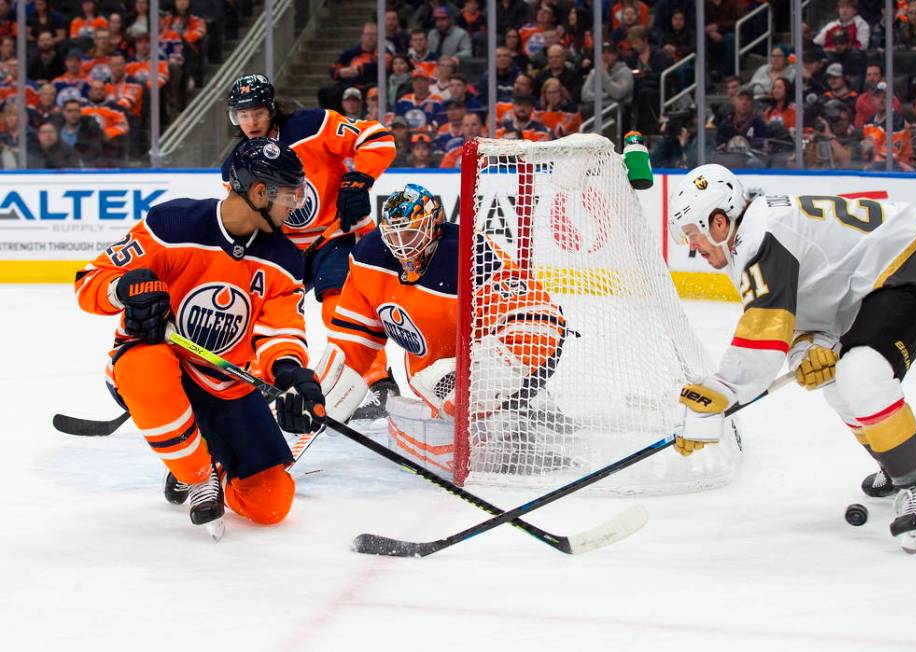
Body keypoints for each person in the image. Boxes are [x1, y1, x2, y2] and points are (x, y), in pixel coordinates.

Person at [667, 163, 916, 554]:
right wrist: (808, 350)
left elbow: (763, 335)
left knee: (860, 373)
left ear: (718, 222)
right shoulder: (745, 242)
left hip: (908, 269)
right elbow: (799, 315)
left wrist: (720, 391)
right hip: (867, 287)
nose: (691, 246)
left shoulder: (763, 232)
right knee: (836, 383)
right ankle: (894, 462)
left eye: (693, 234)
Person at [75, 138, 326, 537]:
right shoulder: (172, 225)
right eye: (288, 195)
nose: (294, 206)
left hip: (226, 381)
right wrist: (123, 290)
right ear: (259, 192)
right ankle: (195, 472)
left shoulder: (285, 259)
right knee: (146, 367)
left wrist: (294, 376)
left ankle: (212, 459)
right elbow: (88, 283)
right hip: (156, 362)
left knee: (270, 504)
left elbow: (280, 331)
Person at [314, 184, 567, 472]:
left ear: (433, 226)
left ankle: (522, 415)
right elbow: (353, 337)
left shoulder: (468, 253)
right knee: (432, 383)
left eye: (409, 232)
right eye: (393, 234)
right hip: (438, 371)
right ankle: (507, 413)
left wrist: (489, 379)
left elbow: (536, 320)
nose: (401, 243)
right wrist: (317, 389)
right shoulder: (369, 255)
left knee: (464, 400)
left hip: (508, 353)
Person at [221, 74, 397, 415]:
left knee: (340, 304)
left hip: (333, 234)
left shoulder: (312, 125)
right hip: (282, 249)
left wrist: (359, 179)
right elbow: (241, 214)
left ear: (271, 109)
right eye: (242, 115)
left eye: (257, 112)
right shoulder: (236, 162)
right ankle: (265, 377)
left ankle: (379, 383)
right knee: (257, 311)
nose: (251, 121)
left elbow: (376, 137)